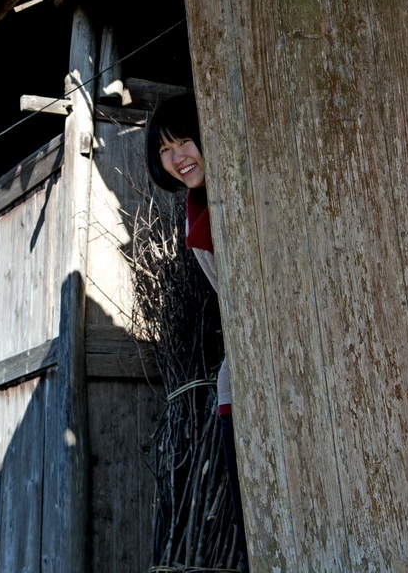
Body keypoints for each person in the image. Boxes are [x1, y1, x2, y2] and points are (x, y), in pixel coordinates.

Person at [146, 92, 250, 573]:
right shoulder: (194, 201)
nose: (177, 158)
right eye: (166, 150)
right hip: (240, 368)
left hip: (270, 351)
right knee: (249, 508)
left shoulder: (239, 185)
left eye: (185, 141)